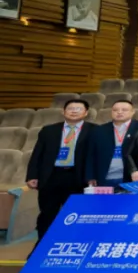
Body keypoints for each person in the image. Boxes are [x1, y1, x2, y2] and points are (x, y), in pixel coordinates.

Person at [26, 99, 95, 246]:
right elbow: (37, 154)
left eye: (78, 108)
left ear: (86, 112)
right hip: (51, 176)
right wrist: (32, 175)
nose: (74, 111)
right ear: (63, 112)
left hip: (78, 177)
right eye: (70, 108)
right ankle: (43, 246)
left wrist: (93, 177)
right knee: (47, 214)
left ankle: (74, 245)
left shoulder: (95, 130)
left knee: (78, 213)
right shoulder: (48, 130)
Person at [85, 100, 138, 188]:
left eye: (124, 110)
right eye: (115, 110)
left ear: (133, 112)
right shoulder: (99, 130)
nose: (119, 112)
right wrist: (90, 176)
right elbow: (91, 155)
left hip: (133, 177)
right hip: (105, 178)